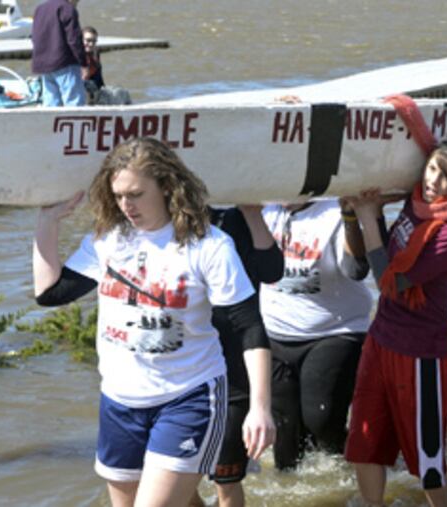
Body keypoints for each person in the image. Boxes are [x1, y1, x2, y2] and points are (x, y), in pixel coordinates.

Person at [33, 138, 275, 507]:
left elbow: (250, 328)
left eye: (136, 194)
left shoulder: (208, 245)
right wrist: (46, 223)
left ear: (166, 186)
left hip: (189, 395)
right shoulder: (108, 241)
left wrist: (260, 408)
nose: (126, 206)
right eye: (117, 196)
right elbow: (50, 292)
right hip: (119, 400)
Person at [344, 139, 447, 507]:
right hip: (381, 339)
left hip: (422, 355)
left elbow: (389, 281)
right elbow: (414, 133)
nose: (434, 181)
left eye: (446, 176)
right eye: (432, 168)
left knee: (427, 460)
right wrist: (366, 211)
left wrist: (369, 217)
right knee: (364, 443)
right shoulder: (414, 202)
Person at [259, 198, 373, 470]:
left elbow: (356, 270)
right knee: (285, 449)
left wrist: (350, 216)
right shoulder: (262, 207)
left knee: (321, 422)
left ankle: (358, 468)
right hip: (275, 333)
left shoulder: (333, 211)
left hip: (335, 330)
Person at [190, 205, 284, 507]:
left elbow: (273, 272)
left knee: (226, 481)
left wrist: (252, 212)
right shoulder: (166, 222)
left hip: (236, 362)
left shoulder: (238, 217)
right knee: (180, 480)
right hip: (186, 367)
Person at [31, 0, 88, 107]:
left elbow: (35, 36)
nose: (77, 3)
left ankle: (49, 124)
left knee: (51, 105)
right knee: (74, 103)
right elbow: (74, 40)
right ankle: (75, 124)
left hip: (44, 65)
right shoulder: (67, 9)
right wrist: (83, 63)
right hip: (65, 63)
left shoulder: (40, 9)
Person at [82, 26, 104, 93]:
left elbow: (100, 82)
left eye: (94, 41)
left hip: (93, 86)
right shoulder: (73, 55)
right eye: (88, 40)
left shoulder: (95, 53)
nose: (91, 44)